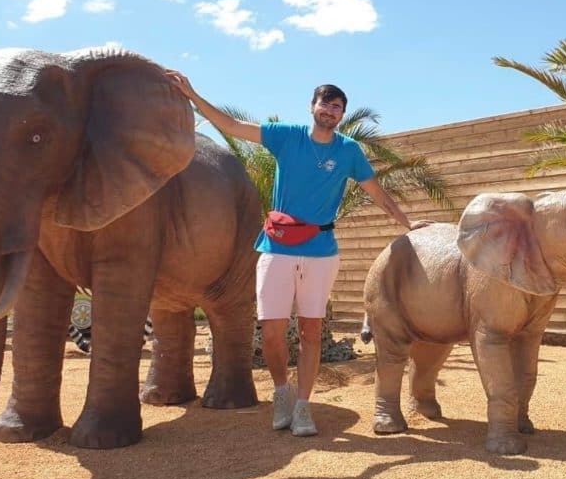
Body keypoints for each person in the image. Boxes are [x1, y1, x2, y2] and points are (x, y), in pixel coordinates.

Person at [166, 71, 427, 437]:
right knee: (272, 330)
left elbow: (376, 191)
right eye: (326, 103)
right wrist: (192, 94)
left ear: (341, 114)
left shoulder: (349, 150)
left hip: (321, 251)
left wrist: (407, 222)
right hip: (277, 248)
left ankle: (303, 406)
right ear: (312, 106)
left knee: (310, 331)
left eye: (337, 107)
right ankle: (281, 392)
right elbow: (232, 125)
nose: (330, 111)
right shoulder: (286, 136)